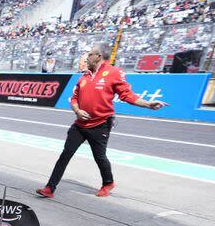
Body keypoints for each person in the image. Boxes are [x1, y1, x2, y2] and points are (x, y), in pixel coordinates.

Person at [36, 43, 167, 198]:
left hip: (100, 125)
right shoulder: (84, 76)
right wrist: (77, 110)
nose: (86, 58)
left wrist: (147, 104)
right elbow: (74, 98)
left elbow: (127, 95)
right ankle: (50, 188)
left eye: (89, 54)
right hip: (80, 125)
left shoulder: (114, 73)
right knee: (65, 154)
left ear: (98, 56)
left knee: (99, 157)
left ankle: (108, 182)